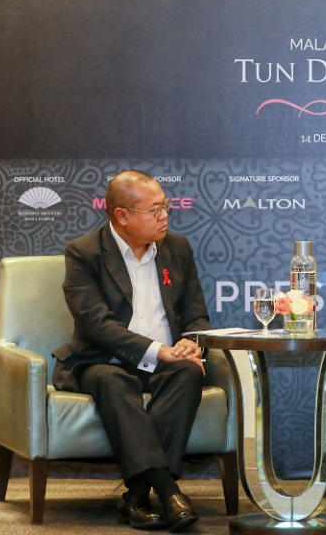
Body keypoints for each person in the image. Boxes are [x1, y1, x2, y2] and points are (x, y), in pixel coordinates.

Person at [53, 171, 210, 532]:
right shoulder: (84, 253)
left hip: (168, 360)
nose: (165, 216)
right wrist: (157, 350)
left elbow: (197, 314)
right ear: (121, 216)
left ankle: (137, 496)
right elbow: (97, 325)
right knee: (113, 381)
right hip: (100, 360)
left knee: (188, 373)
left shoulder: (178, 248)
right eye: (154, 210)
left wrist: (191, 341)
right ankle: (169, 490)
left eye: (166, 206)